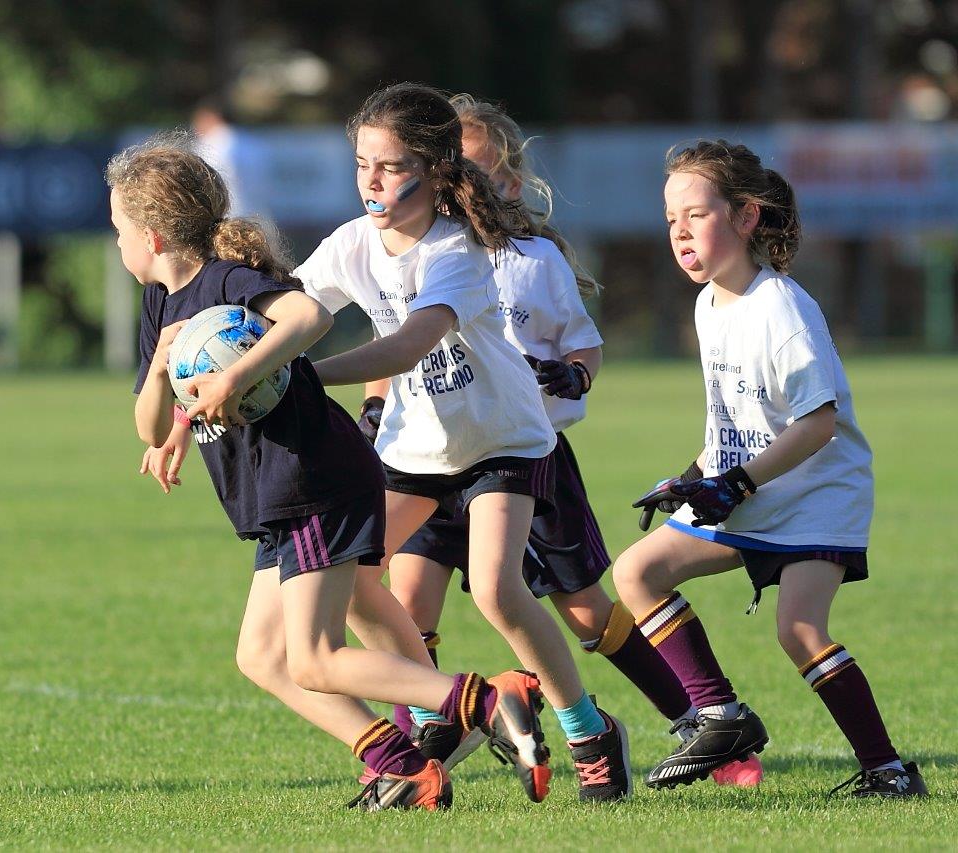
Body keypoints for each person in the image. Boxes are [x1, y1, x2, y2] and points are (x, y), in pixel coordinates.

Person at [114, 132, 557, 812]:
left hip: (312, 478)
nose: (115, 243)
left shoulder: (226, 281)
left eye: (117, 228)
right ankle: (403, 765)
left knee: (314, 656)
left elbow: (308, 313)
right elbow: (147, 425)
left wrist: (235, 372)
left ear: (149, 235)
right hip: (272, 493)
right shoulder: (160, 308)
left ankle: (486, 698)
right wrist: (163, 364)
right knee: (262, 656)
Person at [356, 95, 762, 788]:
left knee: (584, 612)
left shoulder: (531, 260)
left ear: (507, 183)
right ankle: (421, 745)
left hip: (523, 459)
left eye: (472, 170)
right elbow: (393, 351)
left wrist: (571, 374)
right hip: (426, 458)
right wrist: (370, 414)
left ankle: (698, 722)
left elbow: (585, 349)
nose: (456, 185)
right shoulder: (406, 253)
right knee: (401, 595)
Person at [294, 83, 632, 802]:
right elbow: (295, 304)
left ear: (437, 169)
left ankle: (588, 730)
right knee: (353, 578)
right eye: (362, 164)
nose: (371, 180)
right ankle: (430, 713)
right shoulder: (353, 243)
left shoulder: (460, 251)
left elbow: (411, 343)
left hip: (504, 438)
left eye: (388, 165)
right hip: (417, 447)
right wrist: (237, 343)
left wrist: (303, 377)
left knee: (500, 591)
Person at [616, 139, 927, 798]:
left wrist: (737, 482)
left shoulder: (781, 308)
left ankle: (889, 771)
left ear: (747, 216)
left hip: (819, 490)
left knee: (799, 629)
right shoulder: (707, 305)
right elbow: (730, 426)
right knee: (636, 570)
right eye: (671, 220)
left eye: (695, 215)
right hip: (749, 489)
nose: (680, 232)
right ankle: (720, 713)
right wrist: (690, 475)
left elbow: (816, 423)